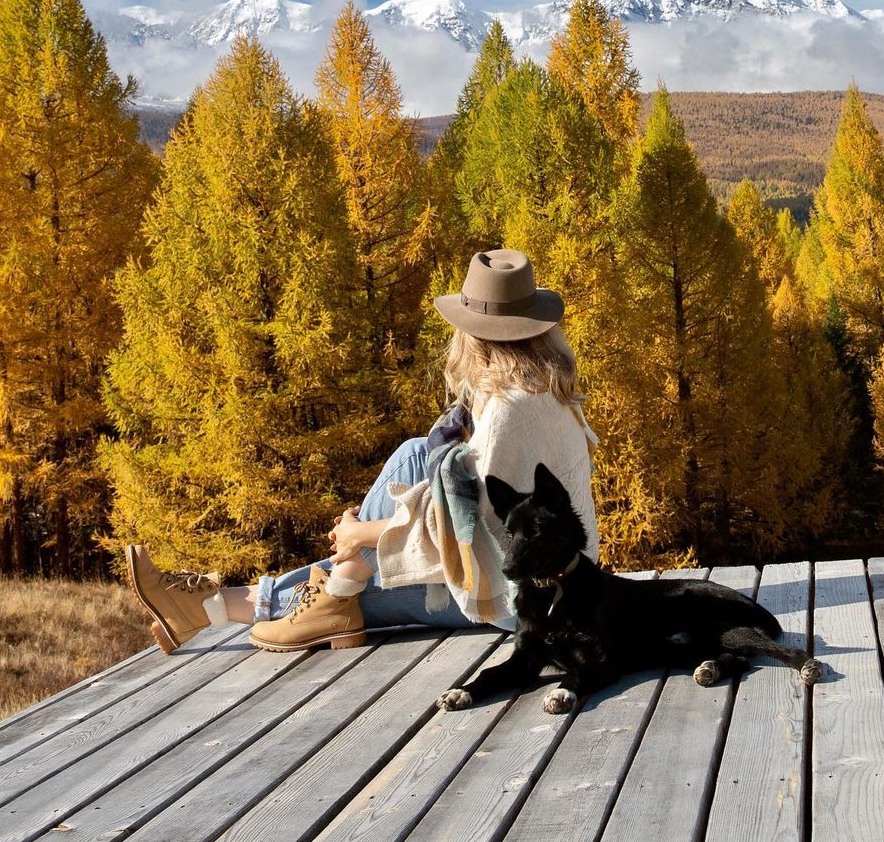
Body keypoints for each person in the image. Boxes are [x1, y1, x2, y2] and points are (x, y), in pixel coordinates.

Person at [125, 248, 600, 654]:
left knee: (356, 591)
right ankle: (239, 603)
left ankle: (216, 605)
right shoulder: (547, 390)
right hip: (562, 579)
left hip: (526, 599)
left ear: (474, 335)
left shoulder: (506, 413)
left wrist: (361, 534)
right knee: (419, 453)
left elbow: (462, 533)